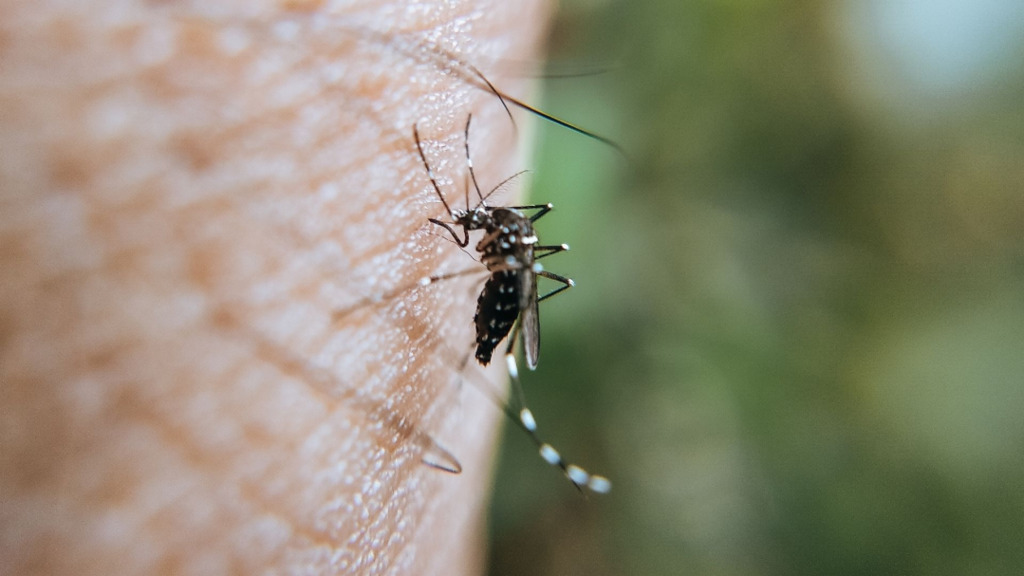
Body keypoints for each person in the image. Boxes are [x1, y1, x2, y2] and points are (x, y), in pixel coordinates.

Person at [0, 1, 547, 573]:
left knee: (506, 279)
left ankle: (490, 341)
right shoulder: (510, 233)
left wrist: (454, 278)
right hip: (509, 281)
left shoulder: (504, 245)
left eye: (482, 224)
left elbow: (502, 262)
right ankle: (492, 343)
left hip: (506, 287)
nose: (478, 225)